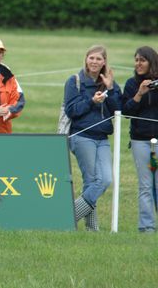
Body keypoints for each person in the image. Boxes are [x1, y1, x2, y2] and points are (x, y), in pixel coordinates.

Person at [64, 45, 121, 231]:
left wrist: (111, 88)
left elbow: (118, 110)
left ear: (104, 61)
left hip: (102, 137)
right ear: (86, 59)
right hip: (81, 136)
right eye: (91, 58)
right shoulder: (75, 81)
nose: (95, 62)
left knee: (104, 179)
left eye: (98, 59)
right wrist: (91, 101)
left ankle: (70, 216)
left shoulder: (109, 82)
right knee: (92, 180)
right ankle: (90, 228)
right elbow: (72, 110)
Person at [122, 46, 158, 233]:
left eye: (142, 60)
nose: (138, 64)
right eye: (136, 60)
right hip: (140, 141)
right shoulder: (131, 84)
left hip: (157, 141)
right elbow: (126, 112)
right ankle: (146, 227)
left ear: (151, 62)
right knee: (145, 184)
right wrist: (139, 94)